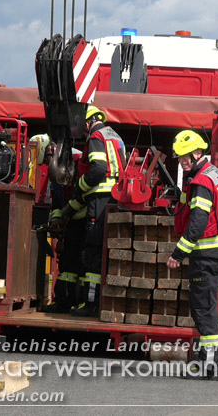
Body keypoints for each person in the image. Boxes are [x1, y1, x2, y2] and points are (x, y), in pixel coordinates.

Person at [166, 130, 218, 379]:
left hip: (206, 253)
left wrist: (179, 253)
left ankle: (207, 365)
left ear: (198, 153)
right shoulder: (213, 174)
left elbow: (198, 221)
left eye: (185, 157)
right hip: (217, 252)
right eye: (179, 158)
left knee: (202, 309)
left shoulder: (201, 181)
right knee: (209, 307)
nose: (181, 161)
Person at [53, 105, 126, 317]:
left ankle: (90, 303)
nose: (83, 132)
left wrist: (81, 187)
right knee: (99, 249)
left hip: (99, 199)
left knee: (93, 250)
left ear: (87, 122)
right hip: (113, 199)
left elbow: (99, 169)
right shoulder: (114, 135)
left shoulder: (95, 137)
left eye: (82, 127)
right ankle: (92, 301)